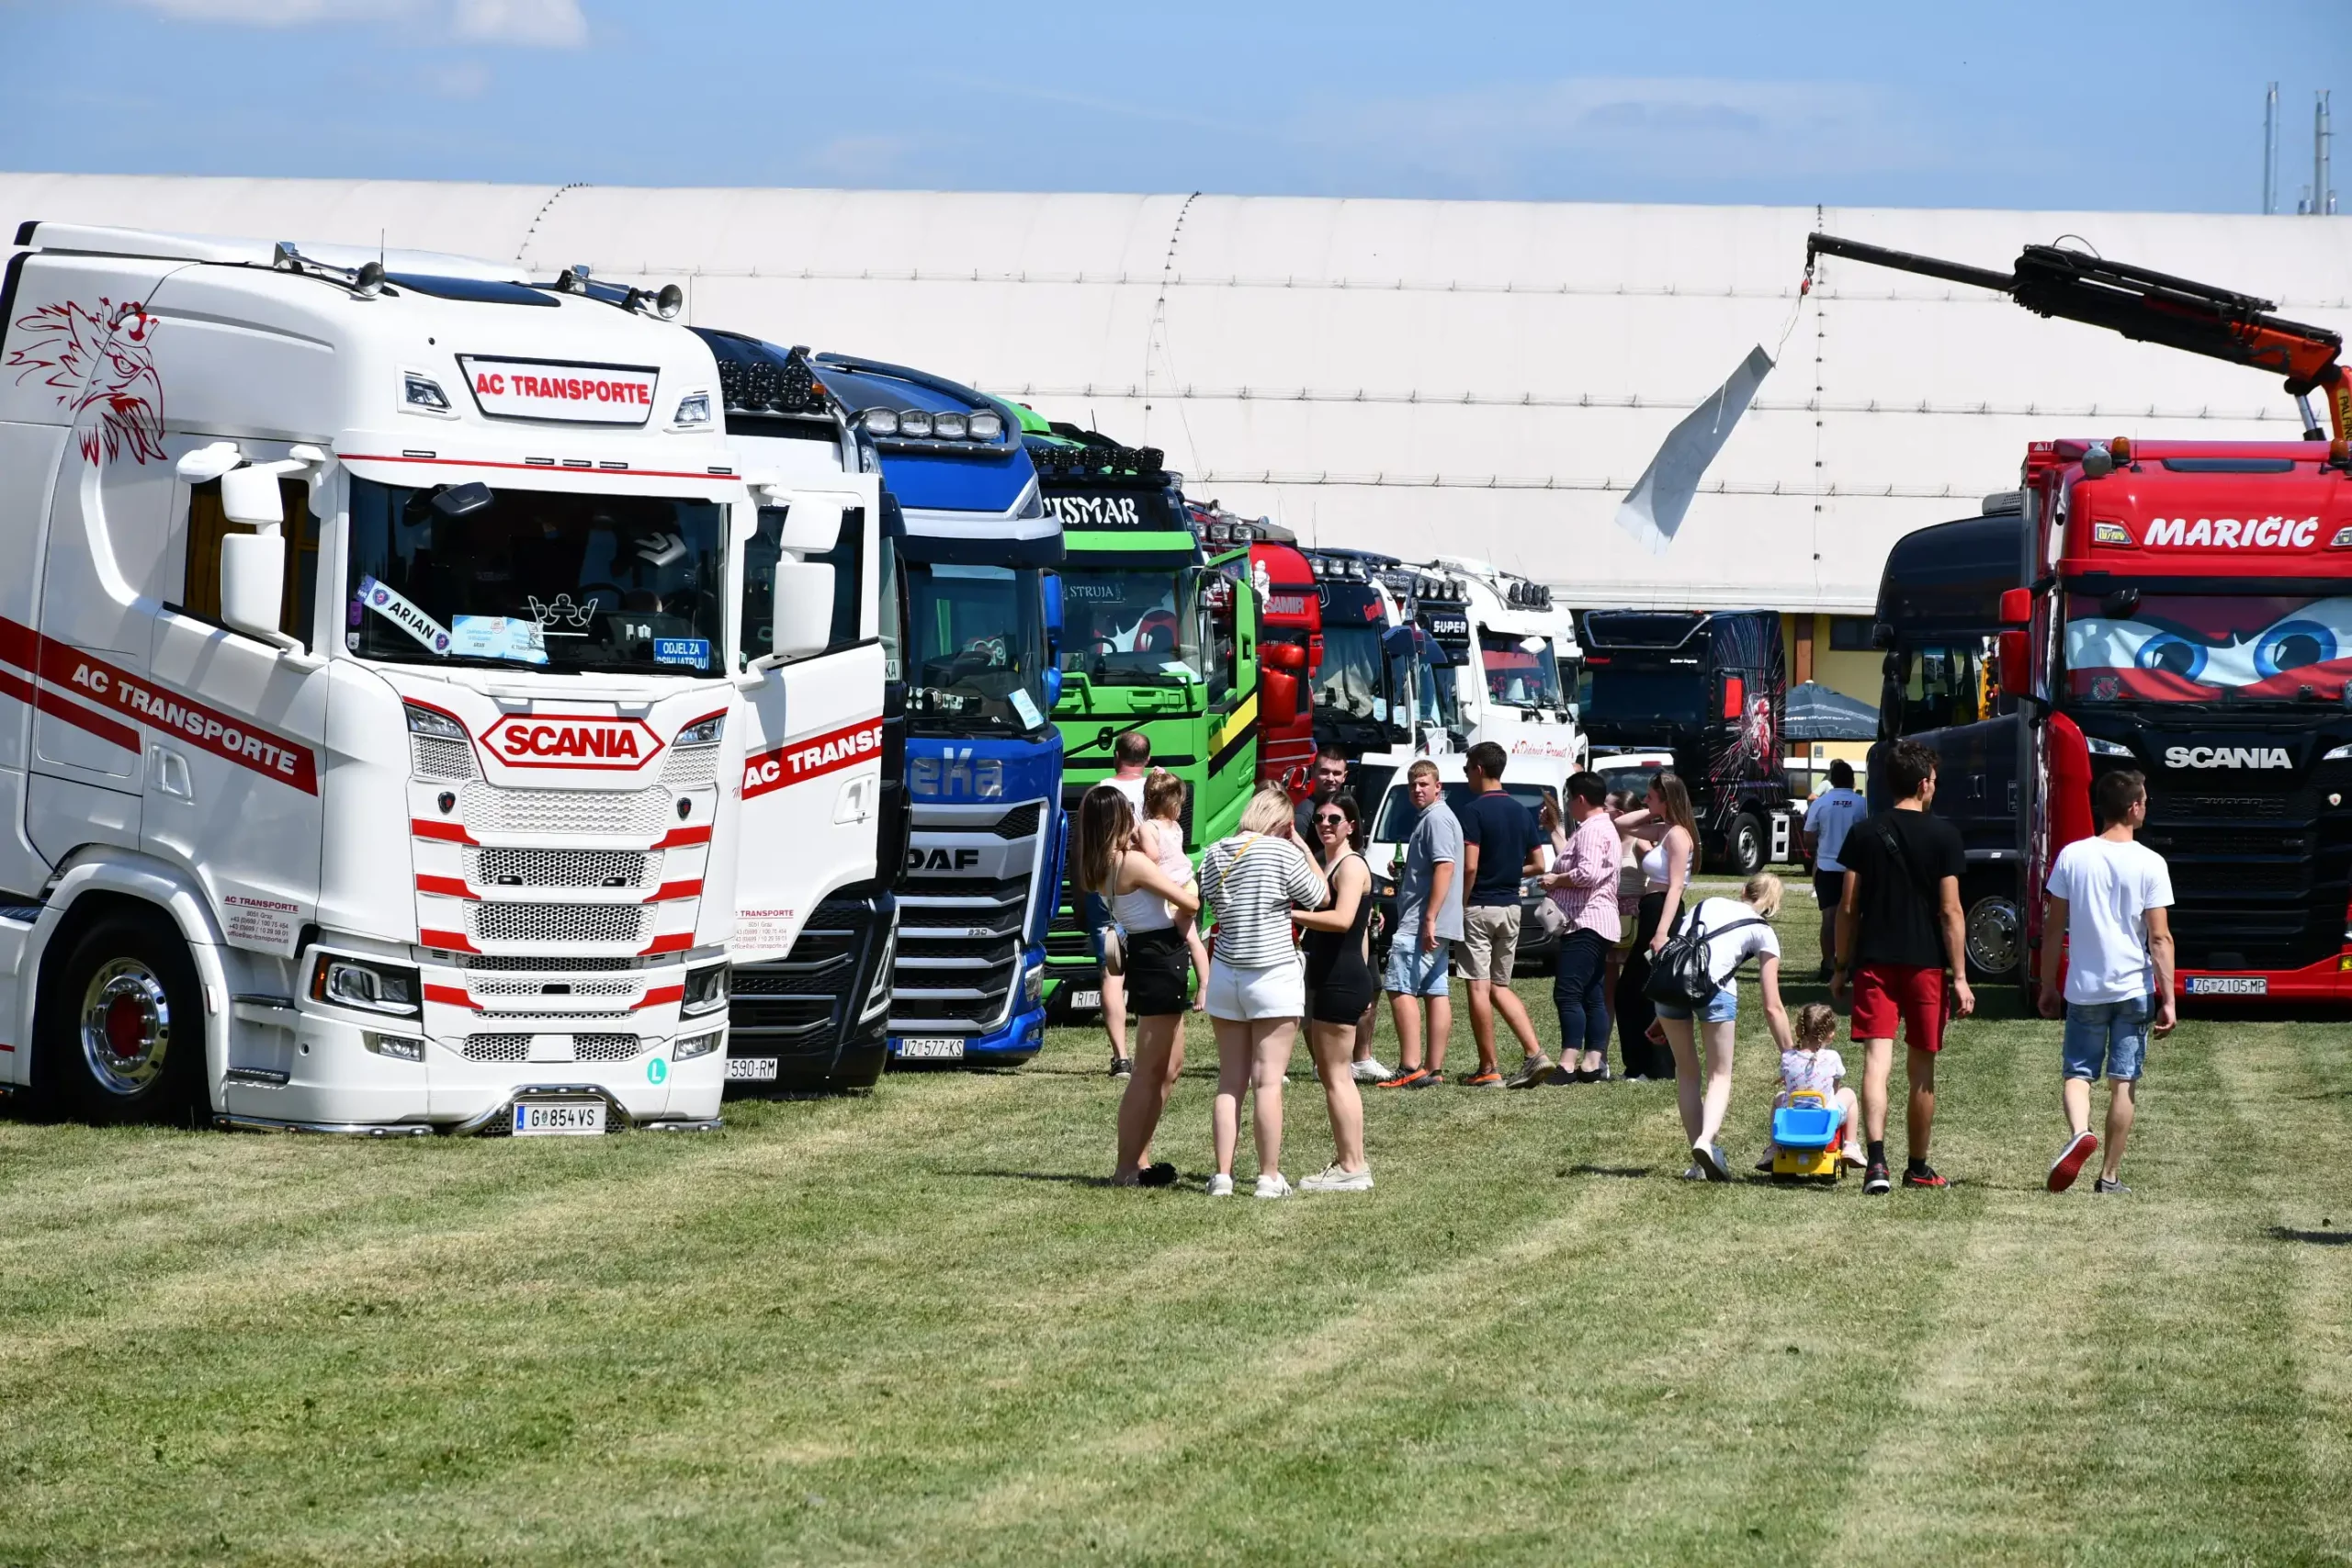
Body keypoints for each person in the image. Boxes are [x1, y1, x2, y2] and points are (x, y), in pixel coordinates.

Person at [1831, 737, 1974, 1195]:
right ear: (1925, 783)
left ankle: (1876, 1163)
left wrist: (1839, 965)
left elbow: (1847, 907)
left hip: (1874, 961)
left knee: (1877, 1062)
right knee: (1922, 1070)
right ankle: (1918, 1166)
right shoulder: (1945, 835)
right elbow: (1951, 911)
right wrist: (1961, 976)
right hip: (1926, 965)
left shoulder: (1864, 833)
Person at [2039, 768, 2175, 1196]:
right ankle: (2110, 1176)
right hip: (2133, 987)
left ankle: (2081, 1132)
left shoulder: (2072, 857)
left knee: (2078, 1073)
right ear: (2133, 808)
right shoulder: (2151, 863)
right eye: (2145, 800)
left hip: (2084, 987)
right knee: (2124, 1081)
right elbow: (2159, 937)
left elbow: (2053, 926)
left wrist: (2047, 984)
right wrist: (2168, 997)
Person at [1197, 784, 1329, 1197]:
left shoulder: (1216, 851)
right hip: (1272, 971)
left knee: (1229, 1081)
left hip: (1226, 971)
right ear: (1286, 825)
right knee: (1268, 1082)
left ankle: (1222, 1175)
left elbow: (1209, 902)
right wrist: (1304, 849)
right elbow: (1320, 896)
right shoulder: (1284, 851)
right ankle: (1269, 1176)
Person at [1075, 784, 1203, 1188]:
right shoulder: (1130, 863)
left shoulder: (1097, 865)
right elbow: (1190, 903)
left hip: (1152, 954)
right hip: (1160, 957)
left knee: (1170, 1068)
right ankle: (1127, 1166)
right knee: (1149, 1072)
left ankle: (1139, 1158)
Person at [1654, 873, 1794, 1179]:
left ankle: (1698, 1161)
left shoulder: (1707, 904)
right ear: (1772, 907)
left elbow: (1682, 960)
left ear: (1743, 890)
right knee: (1720, 1075)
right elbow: (1773, 1006)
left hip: (1668, 990)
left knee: (1687, 1074)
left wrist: (1659, 1018)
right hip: (1715, 992)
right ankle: (1706, 1141)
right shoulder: (1763, 931)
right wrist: (1790, 1056)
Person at [1289, 793, 1376, 1190]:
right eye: (1321, 817)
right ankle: (1350, 1163)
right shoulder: (1334, 863)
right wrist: (1301, 846)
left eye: (1335, 818)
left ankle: (1351, 1167)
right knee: (1335, 1075)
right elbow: (1321, 887)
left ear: (1351, 826)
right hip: (1335, 975)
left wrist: (1286, 912)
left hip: (1340, 977)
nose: (1325, 823)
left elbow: (1342, 921)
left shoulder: (1353, 865)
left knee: (1337, 1076)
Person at [1453, 743, 1549, 1089]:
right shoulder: (1521, 812)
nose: (1466, 776)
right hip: (1511, 908)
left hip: (1478, 906)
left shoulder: (1473, 811)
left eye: (1466, 770)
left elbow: (1470, 865)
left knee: (1478, 988)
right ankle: (1535, 1052)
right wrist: (1509, 871)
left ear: (1479, 768)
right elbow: (1539, 865)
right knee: (1500, 986)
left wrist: (1459, 905)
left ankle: (1488, 1068)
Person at [1376, 760, 1463, 1089]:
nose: (1417, 790)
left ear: (1438, 786)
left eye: (1424, 784)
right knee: (1434, 990)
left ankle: (1410, 1066)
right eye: (1413, 784)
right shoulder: (1440, 818)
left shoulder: (1437, 819)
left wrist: (1428, 917)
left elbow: (1445, 867)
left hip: (1422, 922)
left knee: (1400, 988)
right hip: (1439, 921)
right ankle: (1432, 1069)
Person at [1615, 772, 1698, 1082]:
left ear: (1666, 798)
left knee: (1648, 991)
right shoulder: (1664, 828)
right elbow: (1620, 824)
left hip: (1663, 913)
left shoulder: (1677, 834)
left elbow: (1676, 887)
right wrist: (1653, 809)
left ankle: (1655, 1067)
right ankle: (1638, 1064)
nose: (1645, 801)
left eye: (1650, 796)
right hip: (1651, 909)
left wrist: (1662, 932)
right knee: (1632, 991)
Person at [1538, 770, 1620, 1085]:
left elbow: (1585, 873)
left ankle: (1568, 1064)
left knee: (1567, 993)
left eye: (1570, 798)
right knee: (1591, 993)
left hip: (1585, 922)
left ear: (1580, 799)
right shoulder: (1599, 828)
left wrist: (1554, 880)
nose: (1568, 805)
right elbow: (1574, 859)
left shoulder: (1591, 831)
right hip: (1598, 922)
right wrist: (1554, 830)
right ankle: (1592, 1063)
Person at [1085, 728, 1154, 1077]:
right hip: (1143, 885)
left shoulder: (1100, 790)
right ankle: (1151, 1051)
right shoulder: (1153, 790)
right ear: (1147, 760)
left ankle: (1120, 1058)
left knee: (1113, 973)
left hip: (1107, 886)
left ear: (1116, 756)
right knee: (1148, 968)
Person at [1757, 1002, 1865, 1171]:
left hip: (1793, 1118)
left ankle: (1773, 1148)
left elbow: (1788, 1084)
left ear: (1800, 1030)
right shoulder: (1832, 1057)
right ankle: (1850, 1145)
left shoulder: (1788, 1057)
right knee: (1849, 1094)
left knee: (1779, 1097)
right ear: (1829, 1034)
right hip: (1824, 1118)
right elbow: (1835, 1089)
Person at [1140, 768, 1213, 1012]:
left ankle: (1204, 985)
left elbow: (1152, 856)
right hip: (1188, 884)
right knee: (1191, 936)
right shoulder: (1175, 827)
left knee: (1188, 937)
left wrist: (1135, 846)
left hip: (1174, 889)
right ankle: (1202, 982)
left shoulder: (1148, 828)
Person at [1804, 760, 1868, 981]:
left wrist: (1823, 845)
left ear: (1831, 780)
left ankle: (1828, 964)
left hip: (1827, 867)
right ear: (1852, 781)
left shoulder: (1821, 803)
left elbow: (1808, 837)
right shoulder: (1862, 804)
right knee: (1853, 916)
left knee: (1829, 918)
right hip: (1855, 869)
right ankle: (1850, 963)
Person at [1294, 742, 1352, 865]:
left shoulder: (1349, 807)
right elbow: (1295, 860)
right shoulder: (1304, 813)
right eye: (1324, 772)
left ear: (1344, 776)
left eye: (1336, 773)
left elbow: (1358, 849)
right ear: (1313, 772)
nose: (1331, 778)